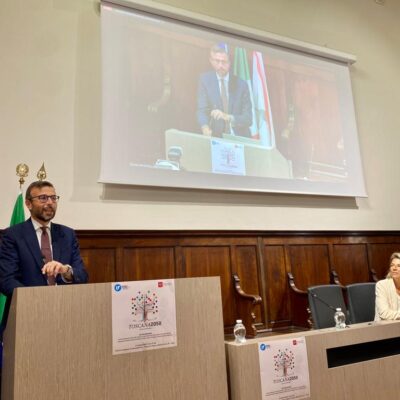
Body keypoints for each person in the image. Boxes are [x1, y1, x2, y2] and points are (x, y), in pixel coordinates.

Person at [197, 44, 252, 138]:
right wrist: (205, 128)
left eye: (224, 62)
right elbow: (202, 110)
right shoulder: (205, 80)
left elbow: (248, 119)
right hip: (215, 136)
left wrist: (227, 117)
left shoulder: (242, 85)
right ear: (211, 61)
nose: (220, 65)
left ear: (229, 62)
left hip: (238, 138)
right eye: (217, 61)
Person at [374, 252, 400, 321]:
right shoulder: (381, 285)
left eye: (399, 266)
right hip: (384, 326)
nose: (394, 268)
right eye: (392, 265)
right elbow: (384, 314)